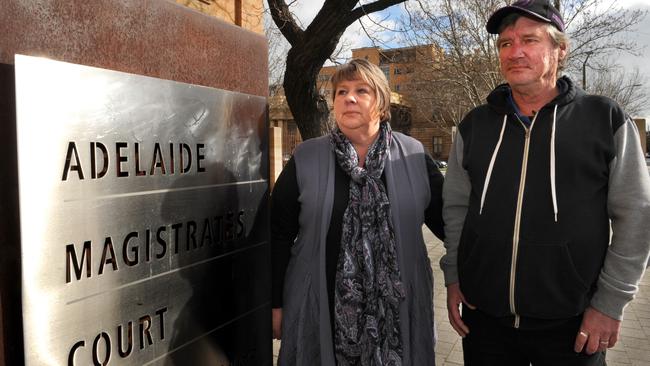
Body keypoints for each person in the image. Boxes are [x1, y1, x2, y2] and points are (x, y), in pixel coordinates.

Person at [440, 0, 650, 365]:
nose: (515, 52)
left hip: (573, 326)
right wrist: (454, 276)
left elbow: (636, 216)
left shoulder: (604, 119)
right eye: (506, 43)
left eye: (530, 40)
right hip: (485, 322)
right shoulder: (474, 126)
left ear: (560, 49)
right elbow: (457, 207)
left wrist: (610, 303)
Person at [271, 58, 445, 365]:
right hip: (318, 309)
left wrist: (461, 279)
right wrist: (273, 303)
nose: (349, 98)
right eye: (341, 92)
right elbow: (277, 235)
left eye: (361, 90)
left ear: (381, 101)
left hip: (397, 317)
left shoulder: (414, 156)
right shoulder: (306, 157)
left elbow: (452, 226)